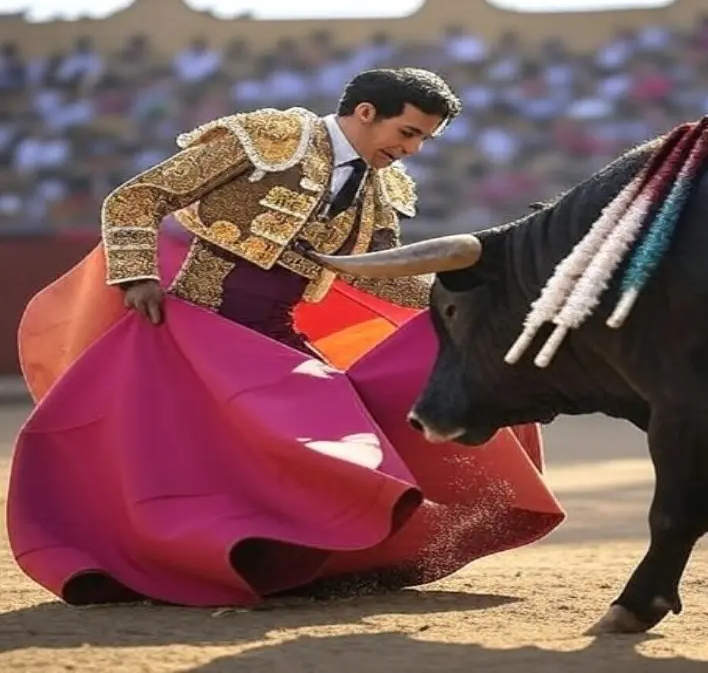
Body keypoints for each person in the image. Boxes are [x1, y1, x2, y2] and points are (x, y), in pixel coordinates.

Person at [9, 68, 564, 607]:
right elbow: (137, 197)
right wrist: (137, 276)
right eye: (409, 133)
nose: (413, 150)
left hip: (274, 338)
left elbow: (376, 272)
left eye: (423, 139)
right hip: (200, 332)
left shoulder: (379, 188)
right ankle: (196, 560)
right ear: (367, 113)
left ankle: (289, 560)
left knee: (343, 433)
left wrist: (466, 301)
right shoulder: (267, 140)